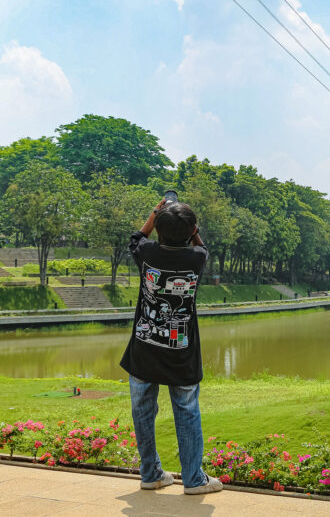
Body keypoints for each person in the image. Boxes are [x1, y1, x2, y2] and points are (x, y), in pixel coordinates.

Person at [120, 198, 222, 495]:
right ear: (192, 231)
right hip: (181, 351)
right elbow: (203, 247)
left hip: (145, 346)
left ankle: (151, 474)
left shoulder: (148, 253)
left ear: (160, 231)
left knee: (142, 409)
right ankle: (193, 479)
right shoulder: (196, 258)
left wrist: (155, 212)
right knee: (187, 410)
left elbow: (137, 237)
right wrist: (193, 230)